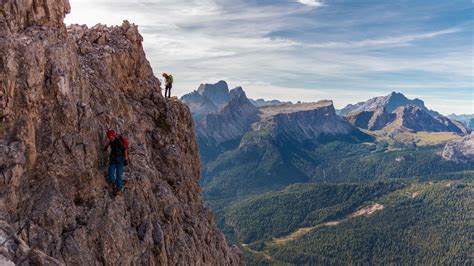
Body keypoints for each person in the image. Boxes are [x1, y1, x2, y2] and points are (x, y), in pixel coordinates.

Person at [104, 130, 128, 195]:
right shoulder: (111, 140)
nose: (110, 139)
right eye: (109, 137)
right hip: (113, 159)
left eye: (111, 137)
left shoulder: (118, 141)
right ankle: (114, 183)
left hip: (120, 159)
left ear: (113, 136)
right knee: (110, 171)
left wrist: (126, 159)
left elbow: (125, 149)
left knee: (118, 174)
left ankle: (118, 189)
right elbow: (110, 142)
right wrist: (106, 147)